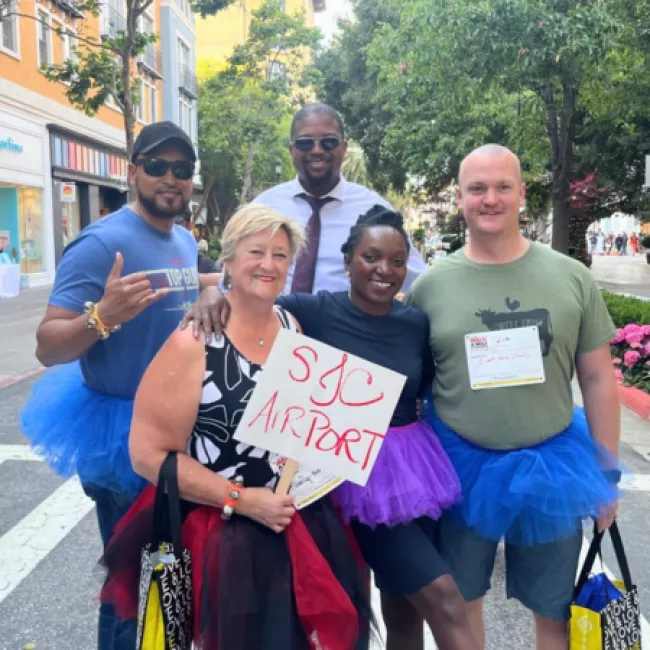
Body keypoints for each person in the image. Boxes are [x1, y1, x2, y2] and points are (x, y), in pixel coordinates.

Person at [101, 204, 372, 650]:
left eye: (281, 255)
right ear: (227, 259)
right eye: (256, 251)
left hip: (292, 520)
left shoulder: (291, 327)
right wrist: (243, 501)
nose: (268, 264)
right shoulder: (194, 343)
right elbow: (147, 455)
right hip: (220, 532)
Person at [407, 144, 620, 650]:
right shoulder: (430, 287)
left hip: (551, 466)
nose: (490, 199)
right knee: (459, 606)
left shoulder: (571, 277)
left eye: (503, 186)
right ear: (459, 197)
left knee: (554, 611)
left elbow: (597, 379)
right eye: (477, 188)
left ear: (522, 193)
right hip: (460, 465)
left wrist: (608, 474)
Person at [19, 121, 218, 650]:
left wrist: (222, 284)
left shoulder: (181, 237)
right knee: (135, 580)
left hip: (176, 426)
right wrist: (102, 317)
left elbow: (182, 285)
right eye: (157, 166)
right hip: (120, 434)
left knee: (165, 574)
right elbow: (48, 345)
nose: (170, 177)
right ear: (133, 172)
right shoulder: (100, 243)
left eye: (182, 169)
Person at [275, 206, 477, 650]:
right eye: (370, 257)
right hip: (352, 476)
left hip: (416, 472)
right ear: (347, 261)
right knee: (444, 600)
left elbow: (421, 388)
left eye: (397, 260)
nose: (385, 271)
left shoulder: (414, 323)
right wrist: (214, 296)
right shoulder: (313, 311)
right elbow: (253, 308)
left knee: (404, 609)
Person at [252, 103, 425, 294]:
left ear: (343, 148)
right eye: (305, 143)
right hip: (272, 321)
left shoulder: (374, 210)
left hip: (345, 324)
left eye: (329, 142)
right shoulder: (263, 208)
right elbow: (235, 270)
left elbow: (419, 283)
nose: (316, 150)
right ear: (292, 150)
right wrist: (215, 291)